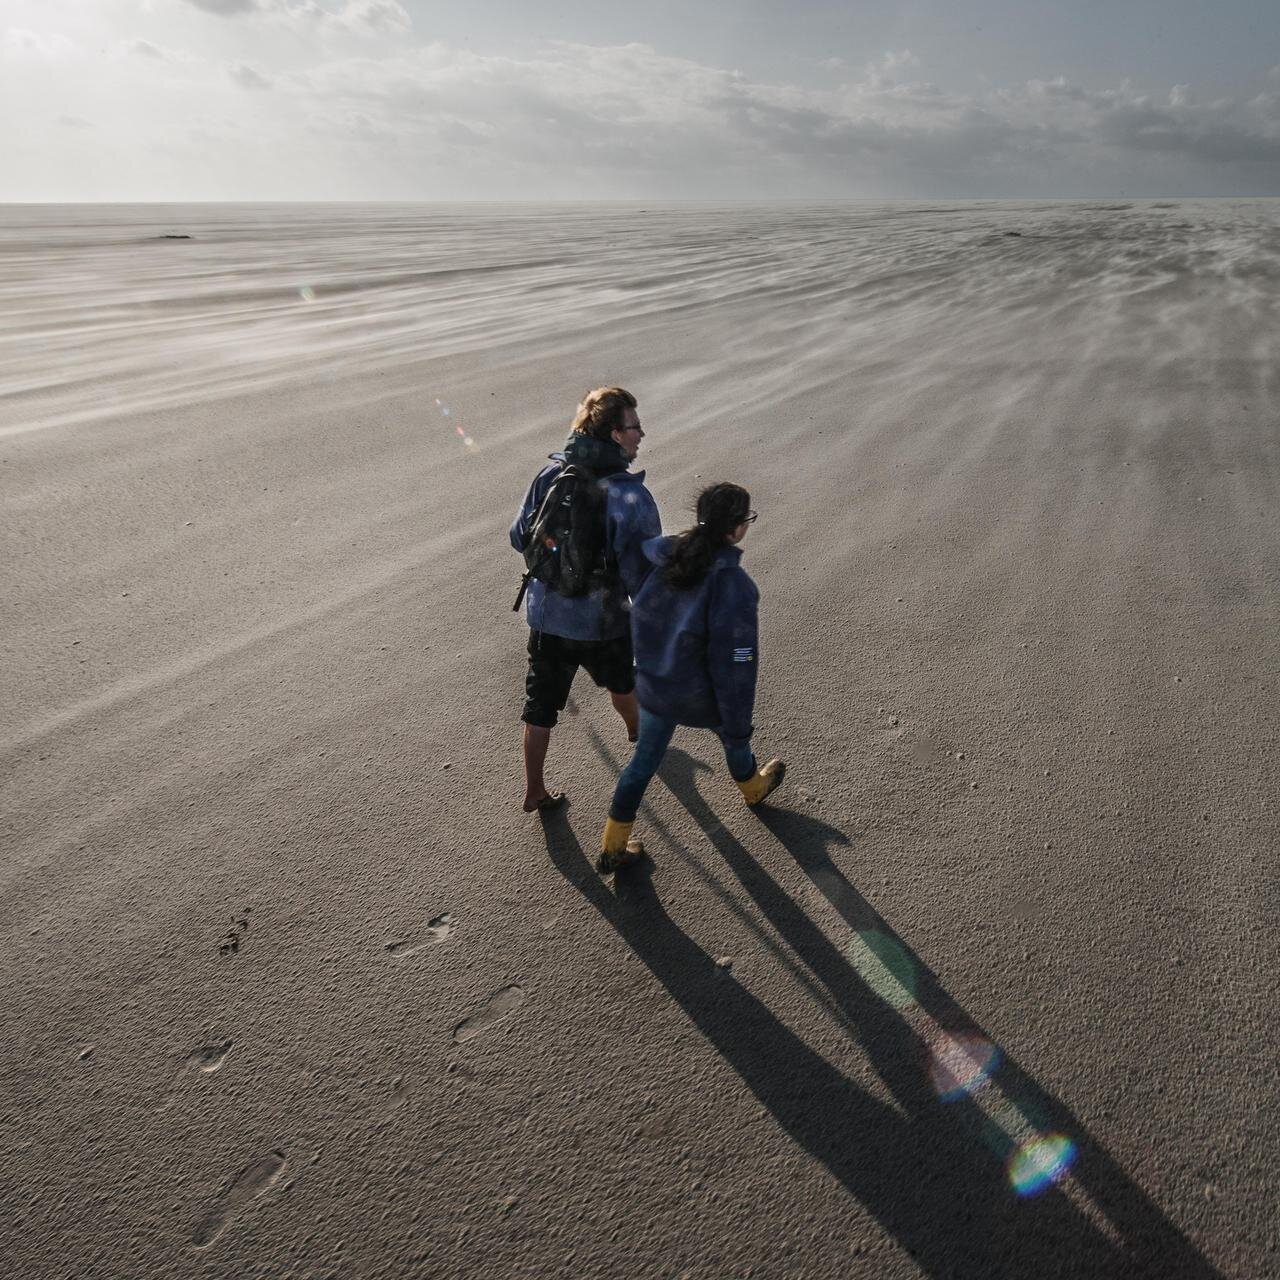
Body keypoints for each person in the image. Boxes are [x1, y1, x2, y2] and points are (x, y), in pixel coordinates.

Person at [598, 482, 786, 872]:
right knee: (734, 740)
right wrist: (736, 720)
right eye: (747, 519)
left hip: (655, 685)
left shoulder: (665, 558)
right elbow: (737, 661)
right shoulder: (733, 586)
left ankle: (613, 844)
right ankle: (752, 788)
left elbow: (644, 617)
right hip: (702, 695)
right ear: (734, 529)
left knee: (643, 761)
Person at [510, 387, 660, 813]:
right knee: (621, 681)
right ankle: (637, 734)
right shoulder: (628, 495)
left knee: (540, 705)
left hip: (546, 616)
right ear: (615, 434)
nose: (640, 434)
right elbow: (641, 570)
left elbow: (518, 536)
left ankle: (534, 791)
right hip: (603, 621)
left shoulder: (551, 476)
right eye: (634, 427)